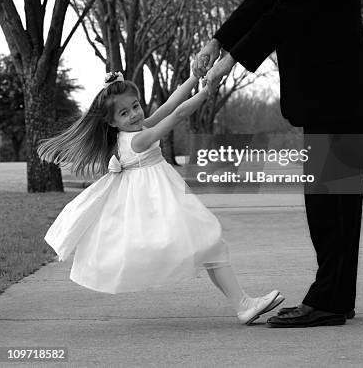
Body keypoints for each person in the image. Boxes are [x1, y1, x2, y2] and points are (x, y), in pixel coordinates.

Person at [193, 0, 363, 327]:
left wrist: (232, 60)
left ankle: (328, 303)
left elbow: (289, 11)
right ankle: (337, 298)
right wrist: (219, 38)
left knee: (331, 204)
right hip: (330, 95)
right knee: (330, 203)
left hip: (337, 95)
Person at [38, 71, 284, 325]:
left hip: (164, 196)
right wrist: (205, 92)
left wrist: (193, 78)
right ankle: (243, 304)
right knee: (211, 242)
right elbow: (177, 114)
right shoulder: (139, 139)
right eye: (125, 113)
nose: (134, 114)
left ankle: (244, 305)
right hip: (160, 201)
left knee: (212, 245)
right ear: (112, 122)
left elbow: (168, 105)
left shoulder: (137, 129)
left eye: (136, 106)